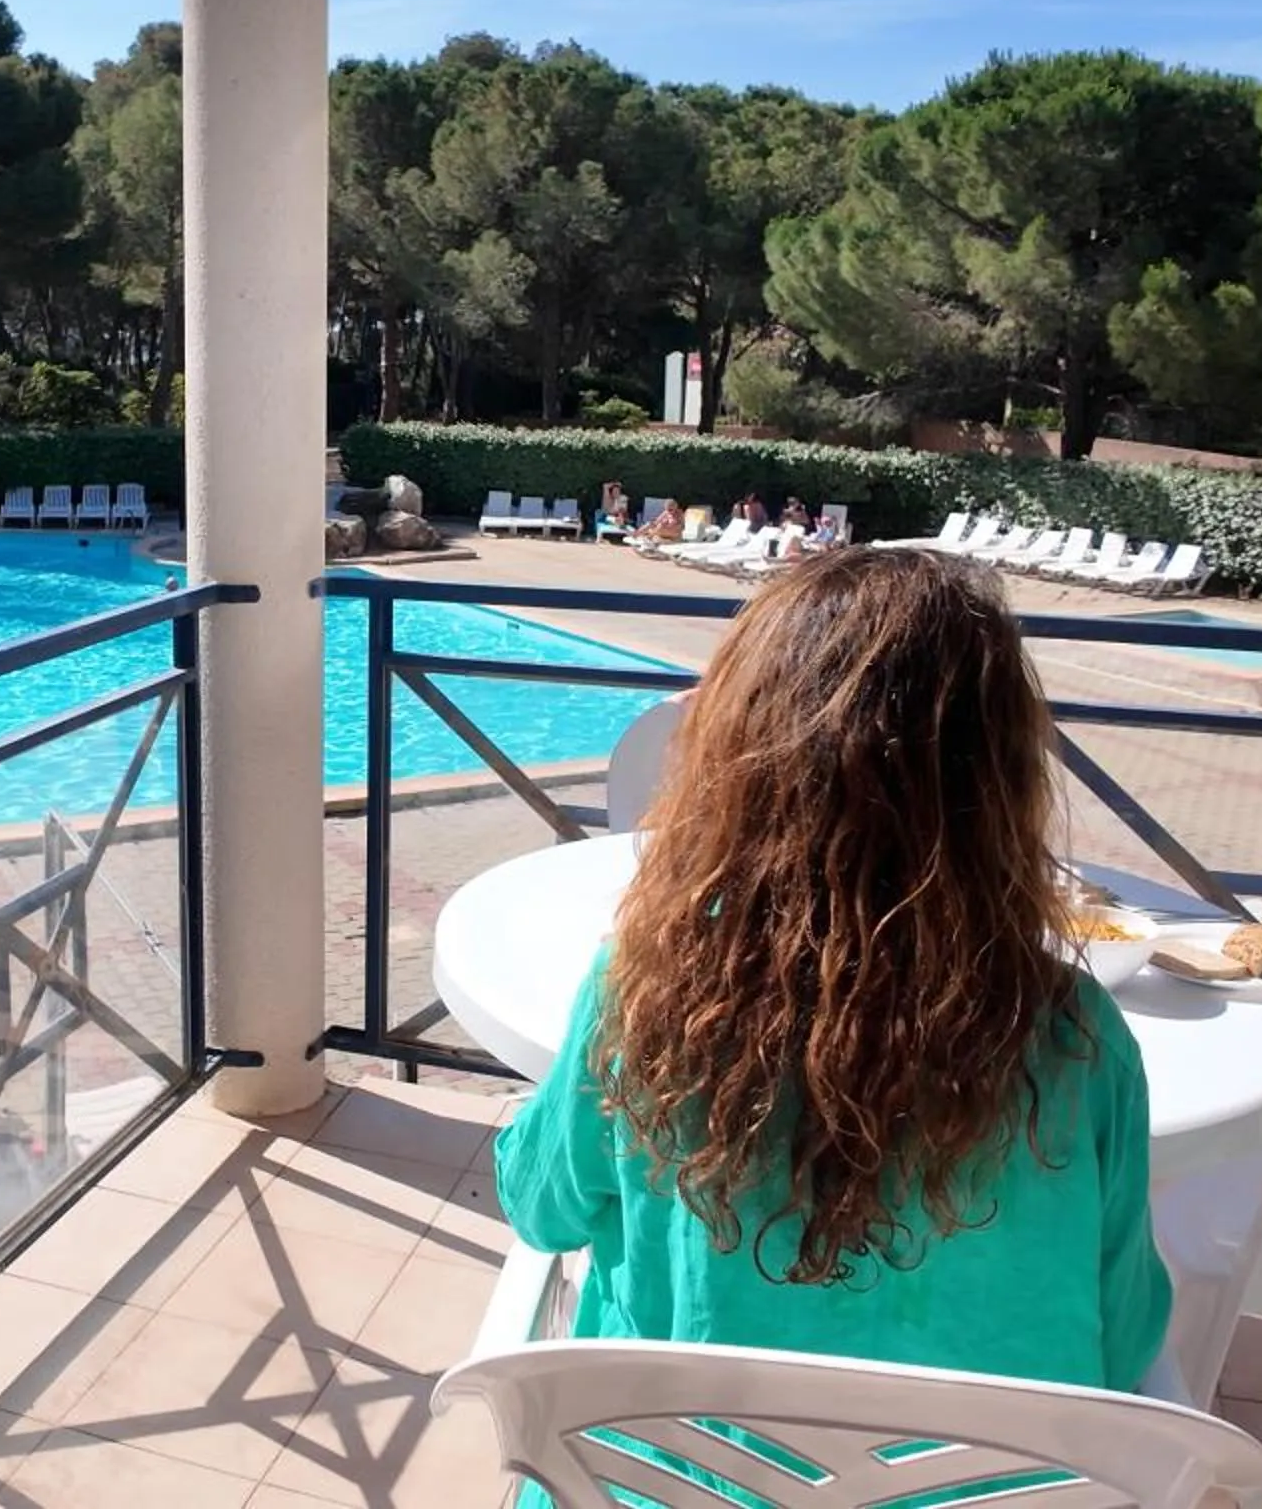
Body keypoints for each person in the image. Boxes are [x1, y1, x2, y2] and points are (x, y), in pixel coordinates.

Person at [495, 548, 1171, 1400]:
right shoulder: (1076, 1036)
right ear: (996, 780)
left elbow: (539, 1209)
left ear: (739, 765)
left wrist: (538, 1113)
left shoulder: (647, 997)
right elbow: (1128, 1329)